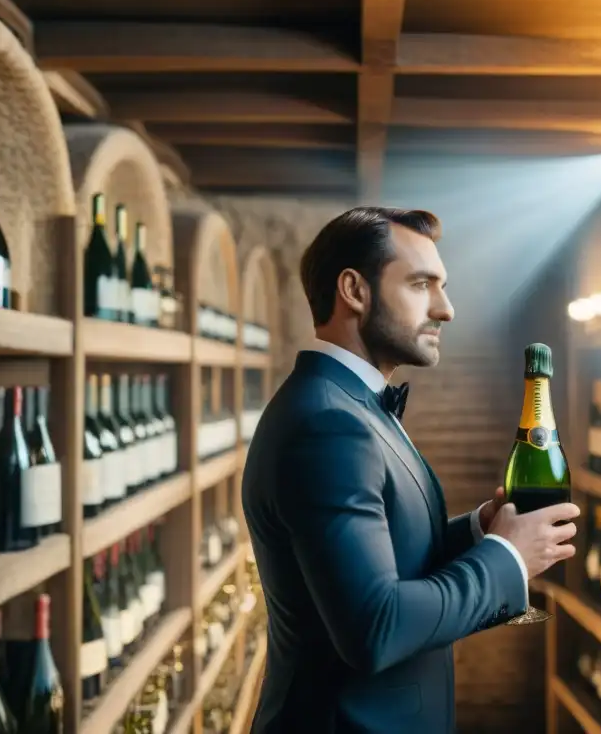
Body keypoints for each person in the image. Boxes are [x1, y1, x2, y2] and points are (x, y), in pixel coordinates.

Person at [241, 207, 580, 733]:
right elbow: (377, 626)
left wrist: (477, 534)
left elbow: (384, 562)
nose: (446, 309)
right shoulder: (329, 423)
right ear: (354, 289)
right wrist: (508, 557)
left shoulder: (349, 404)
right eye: (422, 284)